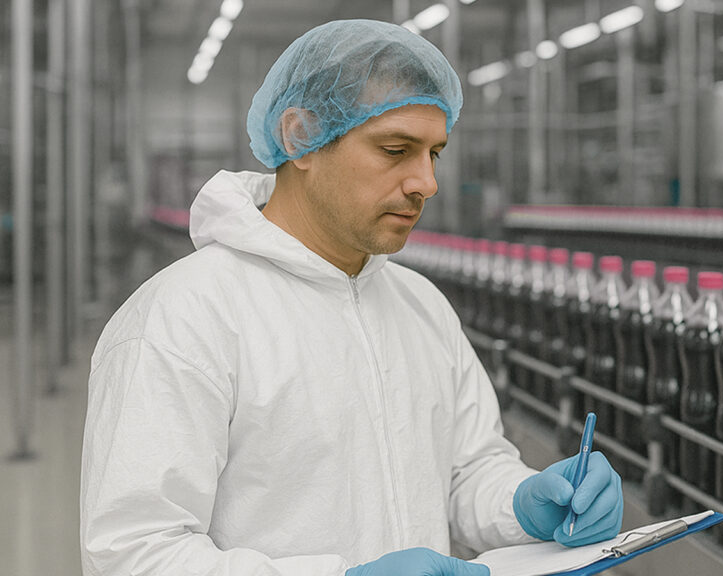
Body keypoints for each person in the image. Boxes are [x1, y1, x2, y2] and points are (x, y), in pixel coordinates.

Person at [79, 18, 623, 576]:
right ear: (300, 138)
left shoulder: (420, 305)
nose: (426, 183)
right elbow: (134, 552)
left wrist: (525, 503)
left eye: (433, 153)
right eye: (395, 149)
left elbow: (464, 473)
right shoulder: (184, 319)